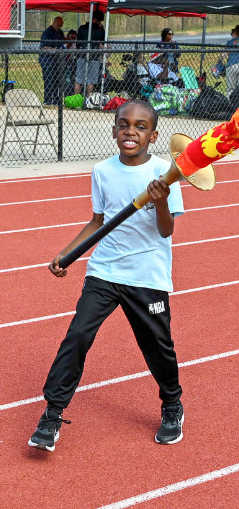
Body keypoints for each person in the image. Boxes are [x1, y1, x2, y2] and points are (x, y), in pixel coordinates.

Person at [29, 100, 186, 452]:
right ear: (114, 129)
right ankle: (52, 413)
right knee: (77, 336)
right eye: (124, 124)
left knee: (157, 347)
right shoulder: (102, 171)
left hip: (147, 276)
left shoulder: (165, 172)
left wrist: (160, 201)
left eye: (141, 126)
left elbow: (165, 231)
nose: (131, 131)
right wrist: (68, 254)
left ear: (154, 134)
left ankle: (172, 405)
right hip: (104, 271)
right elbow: (98, 221)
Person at [75, 9, 107, 96]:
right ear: (98, 20)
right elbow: (103, 41)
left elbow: (78, 42)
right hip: (94, 55)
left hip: (82, 53)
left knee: (79, 79)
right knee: (91, 81)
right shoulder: (100, 30)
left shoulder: (82, 28)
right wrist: (101, 28)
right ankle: (89, 99)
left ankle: (75, 98)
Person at [40, 16, 66, 106]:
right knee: (49, 80)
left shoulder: (60, 32)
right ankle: (47, 100)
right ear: (54, 23)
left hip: (57, 61)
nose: (59, 28)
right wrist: (53, 49)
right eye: (58, 25)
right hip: (47, 60)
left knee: (56, 81)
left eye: (61, 26)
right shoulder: (48, 33)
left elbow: (63, 42)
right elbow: (43, 47)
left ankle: (55, 101)